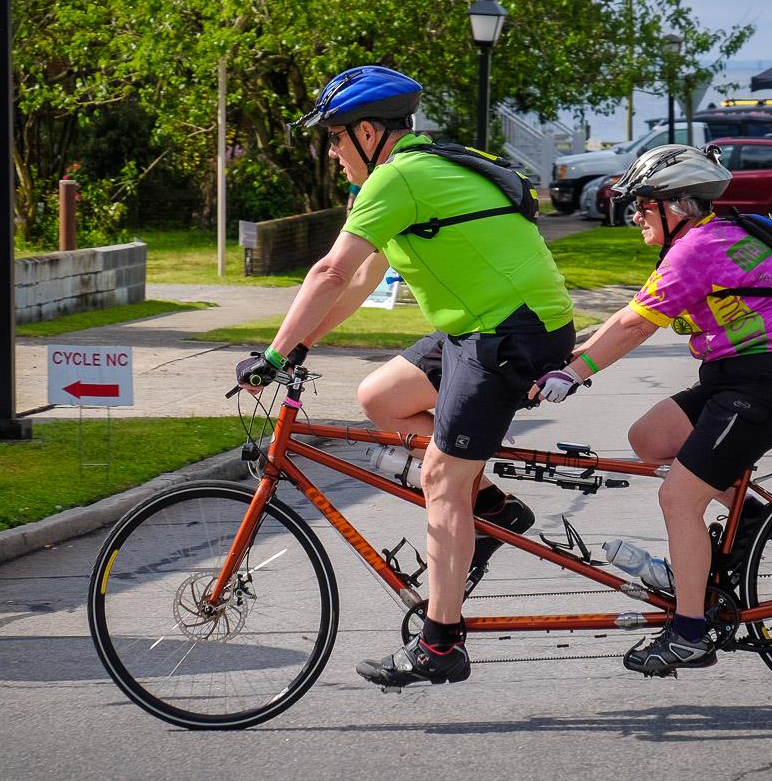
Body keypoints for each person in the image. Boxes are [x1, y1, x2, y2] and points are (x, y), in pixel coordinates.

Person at [235, 64, 576, 688]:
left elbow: (330, 274)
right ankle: (494, 510)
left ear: (368, 132)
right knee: (381, 397)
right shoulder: (407, 174)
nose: (333, 151)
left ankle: (441, 645)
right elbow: (360, 281)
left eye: (336, 137)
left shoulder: (400, 177)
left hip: (511, 334)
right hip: (476, 327)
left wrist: (276, 355)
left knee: (441, 476)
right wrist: (301, 344)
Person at [529, 144, 772, 676]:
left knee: (679, 499)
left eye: (643, 204)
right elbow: (629, 316)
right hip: (737, 374)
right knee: (650, 438)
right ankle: (752, 517)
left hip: (769, 380)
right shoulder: (708, 238)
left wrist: (573, 375)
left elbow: (636, 327)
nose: (635, 214)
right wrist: (570, 359)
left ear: (678, 205)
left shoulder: (696, 249)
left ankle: (690, 632)